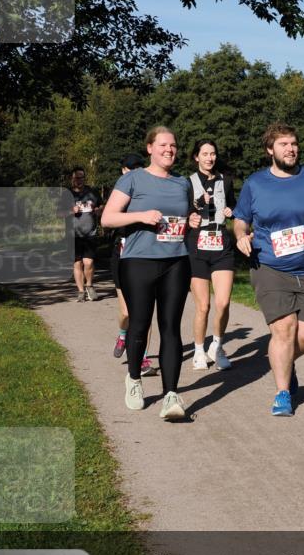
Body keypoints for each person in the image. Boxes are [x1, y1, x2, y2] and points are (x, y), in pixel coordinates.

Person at [233, 123, 304, 416]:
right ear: (270, 150)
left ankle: (283, 361)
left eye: (294, 143)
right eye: (283, 145)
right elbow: (241, 218)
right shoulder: (255, 183)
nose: (291, 149)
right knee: (284, 329)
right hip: (269, 265)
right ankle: (282, 394)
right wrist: (241, 236)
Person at [101, 126, 192, 420]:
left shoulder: (182, 183)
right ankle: (134, 380)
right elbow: (108, 218)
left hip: (176, 260)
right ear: (150, 148)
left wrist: (191, 220)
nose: (170, 150)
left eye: (174, 146)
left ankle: (170, 395)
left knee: (171, 327)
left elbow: (181, 219)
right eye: (164, 145)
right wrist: (141, 215)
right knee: (139, 324)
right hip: (139, 260)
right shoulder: (133, 178)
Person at [185, 140, 237, 371]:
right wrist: (190, 217)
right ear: (196, 157)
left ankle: (216, 346)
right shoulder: (187, 183)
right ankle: (198, 350)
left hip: (221, 245)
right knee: (203, 306)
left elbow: (236, 207)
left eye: (213, 153)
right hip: (197, 246)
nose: (209, 158)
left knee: (223, 303)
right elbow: (181, 211)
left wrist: (232, 211)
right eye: (204, 154)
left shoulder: (226, 181)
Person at [110, 153, 157, 377]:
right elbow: (108, 220)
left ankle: (143, 358)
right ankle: (122, 334)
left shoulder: (147, 193)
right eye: (131, 168)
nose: (135, 172)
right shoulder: (119, 194)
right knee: (128, 313)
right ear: (123, 171)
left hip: (143, 258)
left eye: (139, 168)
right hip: (121, 257)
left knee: (144, 312)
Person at [68, 166, 102, 302]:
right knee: (77, 264)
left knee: (89, 262)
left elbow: (101, 205)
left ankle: (89, 285)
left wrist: (99, 210)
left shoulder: (92, 192)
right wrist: (71, 211)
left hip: (90, 233)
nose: (79, 180)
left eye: (82, 177)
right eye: (77, 177)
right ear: (72, 179)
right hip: (73, 235)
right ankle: (81, 291)